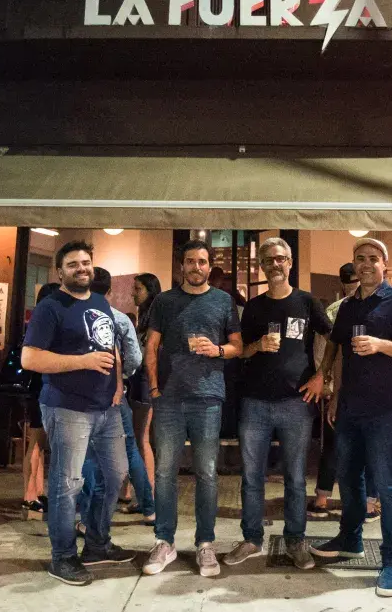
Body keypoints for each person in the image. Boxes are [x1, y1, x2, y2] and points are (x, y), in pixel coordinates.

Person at [310, 238, 392, 598]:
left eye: (372, 259)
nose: (365, 264)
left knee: (389, 486)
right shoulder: (348, 307)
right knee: (348, 477)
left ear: (384, 264)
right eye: (359, 259)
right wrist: (328, 380)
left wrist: (381, 345)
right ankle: (350, 539)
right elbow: (336, 345)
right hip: (351, 407)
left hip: (388, 409)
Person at [22, 240, 132, 586]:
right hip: (66, 406)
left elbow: (111, 346)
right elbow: (30, 359)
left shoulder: (99, 301)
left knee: (117, 474)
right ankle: (63, 557)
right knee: (67, 483)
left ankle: (97, 544)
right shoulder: (50, 308)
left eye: (86, 262)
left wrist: (117, 387)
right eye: (73, 264)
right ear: (60, 272)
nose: (82, 268)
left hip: (106, 408)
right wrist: (82, 362)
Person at [223, 238, 331, 570]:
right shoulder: (254, 307)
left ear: (290, 262)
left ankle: (296, 541)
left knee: (296, 478)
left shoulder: (308, 302)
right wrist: (257, 345)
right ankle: (252, 539)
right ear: (262, 266)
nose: (275, 265)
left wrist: (322, 377)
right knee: (252, 476)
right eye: (269, 260)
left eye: (281, 259)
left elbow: (334, 339)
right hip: (254, 403)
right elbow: (240, 350)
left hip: (296, 402)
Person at [142, 239, 242, 578]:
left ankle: (205, 544)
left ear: (209, 265)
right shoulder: (165, 301)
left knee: (207, 473)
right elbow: (151, 346)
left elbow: (238, 347)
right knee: (166, 472)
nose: (195, 267)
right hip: (169, 399)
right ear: (181, 265)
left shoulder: (224, 301)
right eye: (189, 261)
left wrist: (217, 351)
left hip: (208, 398)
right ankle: (164, 542)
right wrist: (154, 389)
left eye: (201, 261)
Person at [77, 267, 154, 526]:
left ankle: (87, 515)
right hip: (115, 394)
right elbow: (134, 357)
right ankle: (148, 507)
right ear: (109, 291)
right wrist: (124, 378)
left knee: (88, 453)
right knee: (130, 448)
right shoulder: (120, 319)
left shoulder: (76, 316)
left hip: (82, 395)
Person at [311, 263, 379, 521]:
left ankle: (321, 499)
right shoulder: (369, 307)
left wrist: (326, 384)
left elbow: (321, 352)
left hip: (336, 388)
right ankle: (369, 505)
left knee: (332, 445)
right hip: (364, 387)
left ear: (341, 283)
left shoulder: (332, 310)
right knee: (368, 447)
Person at [21, 282, 59, 514]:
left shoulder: (38, 323)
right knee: (36, 441)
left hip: (39, 386)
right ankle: (29, 494)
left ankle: (38, 492)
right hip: (40, 387)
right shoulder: (46, 324)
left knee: (39, 443)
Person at [129, 273, 162, 497]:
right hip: (141, 380)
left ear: (149, 291)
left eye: (138, 289)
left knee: (141, 438)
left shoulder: (152, 320)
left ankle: (147, 493)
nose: (133, 293)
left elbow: (144, 354)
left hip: (144, 381)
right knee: (140, 437)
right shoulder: (146, 317)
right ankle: (139, 492)